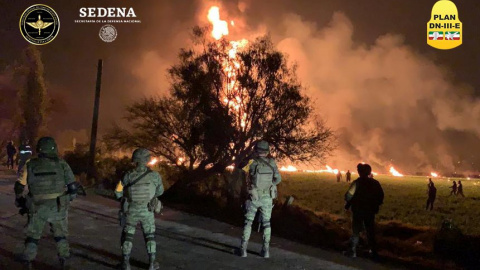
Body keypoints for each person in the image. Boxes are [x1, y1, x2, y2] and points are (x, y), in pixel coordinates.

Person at [13, 137, 77, 268]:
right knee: (60, 235)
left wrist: (20, 201)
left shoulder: (30, 164)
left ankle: (28, 259)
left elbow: (19, 186)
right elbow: (72, 187)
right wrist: (68, 199)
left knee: (33, 236)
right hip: (58, 206)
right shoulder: (62, 164)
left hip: (36, 206)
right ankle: (63, 258)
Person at [115, 148, 164, 270]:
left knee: (128, 236)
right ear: (147, 160)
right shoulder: (154, 176)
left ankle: (125, 263)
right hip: (147, 211)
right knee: (150, 236)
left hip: (131, 210)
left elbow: (117, 191)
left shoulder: (128, 175)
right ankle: (152, 263)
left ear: (135, 160)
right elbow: (160, 191)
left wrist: (123, 198)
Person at [239, 140, 281, 258]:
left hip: (254, 196)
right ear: (267, 151)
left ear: (256, 150)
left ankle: (243, 250)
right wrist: (269, 185)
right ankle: (266, 251)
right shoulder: (272, 163)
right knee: (267, 224)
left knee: (248, 222)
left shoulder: (251, 162)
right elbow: (278, 180)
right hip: (267, 197)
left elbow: (241, 170)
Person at [344, 163, 384, 258]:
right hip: (370, 212)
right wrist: (375, 206)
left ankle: (353, 251)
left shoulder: (357, 183)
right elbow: (381, 196)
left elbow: (348, 196)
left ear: (359, 172)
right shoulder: (375, 183)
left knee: (356, 231)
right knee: (370, 231)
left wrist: (348, 204)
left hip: (358, 211)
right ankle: (373, 252)